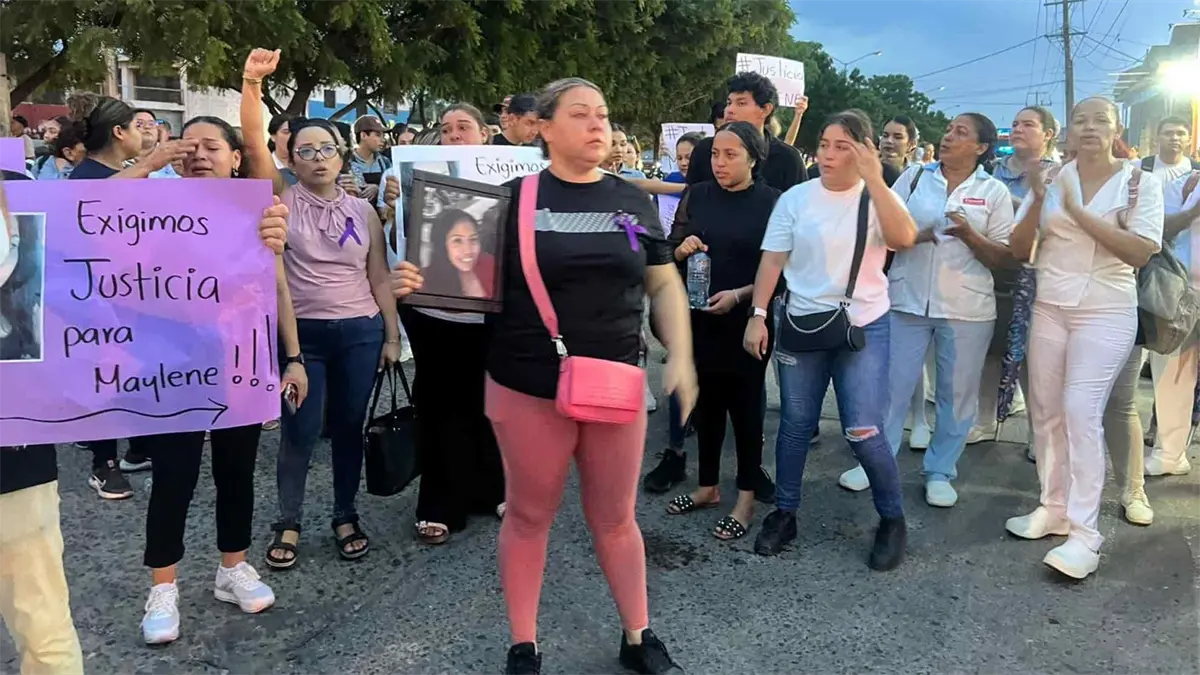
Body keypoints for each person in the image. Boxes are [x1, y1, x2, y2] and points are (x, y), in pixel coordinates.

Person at [392, 76, 697, 675]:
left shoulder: (633, 200)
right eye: (580, 113)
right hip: (525, 384)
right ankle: (523, 645)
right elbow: (463, 280)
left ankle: (638, 636)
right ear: (544, 128)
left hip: (614, 383)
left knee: (616, 519)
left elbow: (663, 283)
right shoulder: (507, 202)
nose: (597, 124)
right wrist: (414, 282)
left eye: (602, 113)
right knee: (530, 516)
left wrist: (681, 355)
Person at [137, 115, 309, 645]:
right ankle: (163, 587)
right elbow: (88, 208)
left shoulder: (255, 211)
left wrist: (294, 356)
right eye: (188, 146)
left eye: (212, 146)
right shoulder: (149, 206)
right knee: (174, 476)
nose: (199, 155)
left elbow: (278, 286)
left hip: (242, 361)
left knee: (237, 470)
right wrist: (148, 163)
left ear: (236, 158)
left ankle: (232, 567)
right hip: (171, 364)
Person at [241, 48, 401, 566]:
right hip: (301, 337)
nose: (317, 157)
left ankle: (344, 514)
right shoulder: (278, 199)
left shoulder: (364, 211)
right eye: (305, 150)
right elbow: (252, 144)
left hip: (361, 332)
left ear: (342, 155)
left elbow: (379, 275)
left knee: (350, 428)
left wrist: (392, 335)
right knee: (300, 431)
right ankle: (288, 520)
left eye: (326, 148)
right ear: (290, 159)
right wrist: (252, 85)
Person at [744, 110, 917, 567]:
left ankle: (892, 518)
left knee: (863, 429)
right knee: (796, 423)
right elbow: (772, 260)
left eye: (842, 146)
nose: (828, 154)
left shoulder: (876, 198)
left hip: (863, 324)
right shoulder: (797, 199)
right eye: (824, 144)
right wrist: (758, 315)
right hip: (801, 322)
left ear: (863, 151)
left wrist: (875, 179)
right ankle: (785, 512)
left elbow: (905, 238)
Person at [1006, 97, 1164, 580]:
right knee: (1045, 411)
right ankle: (1052, 506)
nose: (1090, 127)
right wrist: (1039, 200)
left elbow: (1139, 252)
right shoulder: (1053, 177)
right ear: (1069, 132)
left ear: (1117, 129)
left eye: (1100, 120)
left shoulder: (1140, 182)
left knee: (1081, 411)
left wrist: (1076, 210)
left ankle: (1085, 535)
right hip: (1050, 306)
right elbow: (1019, 248)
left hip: (1106, 310)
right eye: (1081, 120)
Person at [839, 113, 1014, 506]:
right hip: (906, 300)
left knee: (956, 394)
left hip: (967, 307)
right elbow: (884, 229)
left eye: (960, 133)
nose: (949, 136)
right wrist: (916, 236)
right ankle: (876, 462)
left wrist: (969, 235)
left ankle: (940, 471)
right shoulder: (914, 177)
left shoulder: (994, 191)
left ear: (981, 147)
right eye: (949, 130)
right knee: (889, 387)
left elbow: (1002, 258)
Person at [381, 101, 507, 545]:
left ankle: (492, 489)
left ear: (485, 134)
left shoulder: (514, 178)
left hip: (491, 316)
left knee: (488, 405)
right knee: (438, 406)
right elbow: (398, 245)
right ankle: (438, 503)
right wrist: (394, 210)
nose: (454, 135)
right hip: (430, 313)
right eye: (447, 128)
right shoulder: (411, 175)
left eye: (463, 127)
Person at [68, 96, 196, 498]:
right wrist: (147, 166)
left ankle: (138, 448)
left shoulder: (128, 173)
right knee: (107, 375)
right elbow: (85, 207)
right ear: (118, 132)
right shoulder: (87, 175)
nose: (147, 134)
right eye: (139, 127)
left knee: (139, 370)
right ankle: (102, 463)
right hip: (96, 297)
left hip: (135, 293)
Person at [662, 121, 780, 540]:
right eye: (715, 154)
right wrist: (682, 249)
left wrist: (741, 296)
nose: (720, 162)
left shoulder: (772, 202)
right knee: (707, 406)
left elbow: (782, 270)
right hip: (700, 318)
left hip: (748, 322)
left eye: (731, 155)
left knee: (745, 411)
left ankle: (745, 499)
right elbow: (669, 250)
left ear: (753, 158)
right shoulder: (698, 194)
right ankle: (707, 486)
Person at [686, 72, 807, 191]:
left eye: (741, 103)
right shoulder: (704, 149)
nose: (729, 110)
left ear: (765, 109)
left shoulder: (788, 159)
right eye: (729, 103)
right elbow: (691, 196)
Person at [421, 208, 496, 299]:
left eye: (473, 239)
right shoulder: (421, 280)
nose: (468, 250)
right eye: (457, 241)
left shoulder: (492, 265)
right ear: (441, 245)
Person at [1140, 116, 1198, 181]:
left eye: (1180, 134)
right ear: (1157, 138)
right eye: (1168, 133)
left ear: (1189, 140)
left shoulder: (1196, 170)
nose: (1174, 138)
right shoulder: (1141, 166)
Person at [349, 116, 391, 202]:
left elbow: (393, 187)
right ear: (363, 135)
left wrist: (378, 188)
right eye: (378, 135)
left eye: (383, 136)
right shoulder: (347, 162)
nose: (383, 140)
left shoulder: (385, 162)